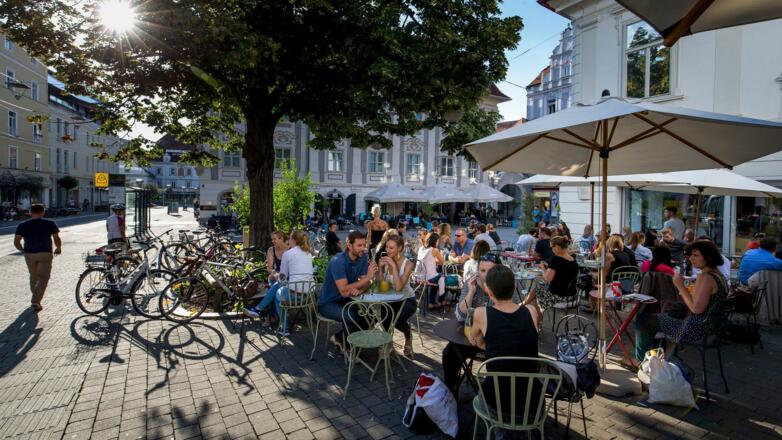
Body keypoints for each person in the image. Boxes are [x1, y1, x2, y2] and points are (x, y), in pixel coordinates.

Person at [469, 265, 540, 417]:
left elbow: (475, 340)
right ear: (514, 287)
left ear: (488, 291)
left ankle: (498, 428)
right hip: (532, 403)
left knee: (482, 394)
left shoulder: (481, 313)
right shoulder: (531, 310)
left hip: (497, 403)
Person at [442, 253, 499, 391]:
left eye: (490, 271)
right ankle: (451, 391)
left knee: (497, 363)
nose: (485, 275)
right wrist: (471, 292)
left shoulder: (503, 284)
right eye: (482, 270)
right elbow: (461, 316)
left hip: (495, 339)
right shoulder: (471, 283)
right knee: (449, 354)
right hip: (471, 336)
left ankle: (492, 393)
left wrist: (490, 291)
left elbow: (506, 312)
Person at [244, 230, 314, 335]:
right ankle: (262, 311)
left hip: (293, 295)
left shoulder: (288, 254)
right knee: (278, 288)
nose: (288, 240)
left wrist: (276, 275)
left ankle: (281, 325)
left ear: (293, 240)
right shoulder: (308, 253)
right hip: (309, 295)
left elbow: (282, 277)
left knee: (278, 292)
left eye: (289, 238)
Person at [658, 240, 728, 344]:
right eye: (691, 255)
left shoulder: (705, 277)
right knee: (659, 317)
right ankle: (661, 350)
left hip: (697, 329)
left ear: (708, 257)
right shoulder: (719, 275)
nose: (691, 258)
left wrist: (680, 286)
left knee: (646, 320)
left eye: (696, 255)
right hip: (712, 327)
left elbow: (696, 309)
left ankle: (652, 353)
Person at [317, 231, 378, 349]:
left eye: (364, 245)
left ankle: (340, 337)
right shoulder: (338, 261)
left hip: (346, 299)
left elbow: (366, 283)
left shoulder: (362, 257)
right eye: (359, 245)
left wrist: (360, 290)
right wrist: (368, 278)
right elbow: (344, 290)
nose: (363, 248)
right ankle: (350, 349)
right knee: (351, 317)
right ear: (349, 245)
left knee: (371, 316)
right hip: (328, 302)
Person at [13, 204, 61, 312]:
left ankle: (35, 298)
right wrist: (58, 248)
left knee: (33, 276)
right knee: (43, 278)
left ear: (30, 212)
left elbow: (16, 241)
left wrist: (22, 250)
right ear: (43, 212)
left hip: (29, 254)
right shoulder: (50, 223)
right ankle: (35, 301)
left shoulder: (23, 225)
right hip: (45, 253)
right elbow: (56, 238)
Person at [376, 235, 417, 356]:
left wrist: (393, 267)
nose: (387, 250)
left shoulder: (408, 264)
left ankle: (408, 336)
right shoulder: (386, 260)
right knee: (384, 313)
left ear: (399, 248)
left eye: (391, 248)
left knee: (397, 320)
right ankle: (388, 343)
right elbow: (381, 287)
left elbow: (399, 288)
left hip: (408, 300)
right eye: (387, 247)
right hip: (391, 299)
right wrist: (380, 268)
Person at [523, 236, 579, 316]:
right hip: (572, 296)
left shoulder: (556, 260)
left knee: (536, 288)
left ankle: (533, 315)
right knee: (538, 286)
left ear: (557, 247)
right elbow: (562, 273)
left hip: (559, 297)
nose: (551, 249)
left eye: (551, 247)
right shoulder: (572, 259)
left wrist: (542, 267)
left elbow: (547, 279)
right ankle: (526, 308)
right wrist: (549, 267)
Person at [418, 232, 445, 309]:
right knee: (442, 277)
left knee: (437, 277)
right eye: (438, 241)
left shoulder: (421, 248)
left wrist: (434, 261)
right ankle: (440, 301)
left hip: (418, 276)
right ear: (435, 241)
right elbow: (442, 262)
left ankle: (431, 303)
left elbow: (425, 261)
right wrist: (436, 260)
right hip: (427, 278)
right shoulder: (434, 250)